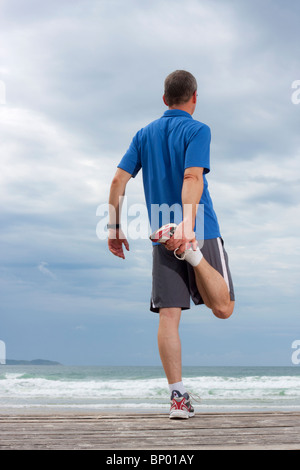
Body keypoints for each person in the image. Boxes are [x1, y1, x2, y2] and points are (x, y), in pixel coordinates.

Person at [107, 70, 235, 419]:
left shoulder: (143, 134)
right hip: (199, 228)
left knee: (168, 316)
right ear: (194, 97)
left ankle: (177, 399)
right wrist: (188, 227)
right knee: (223, 308)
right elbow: (192, 176)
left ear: (165, 100)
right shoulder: (197, 129)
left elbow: (119, 180)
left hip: (162, 235)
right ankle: (193, 254)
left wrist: (116, 227)